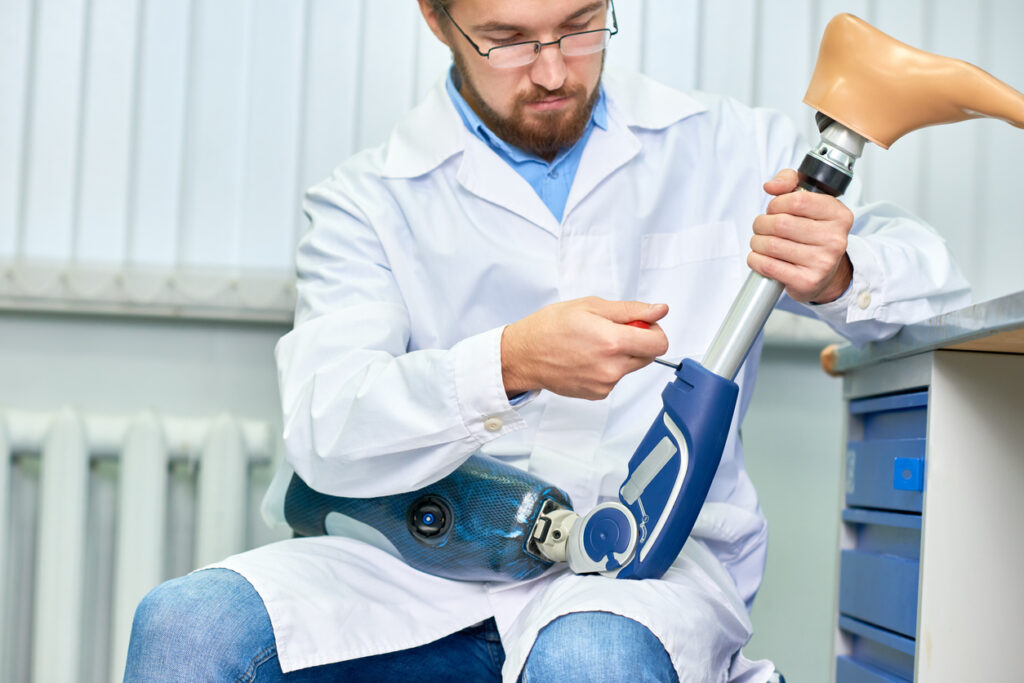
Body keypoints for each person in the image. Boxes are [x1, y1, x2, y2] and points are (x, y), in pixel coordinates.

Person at [125, 0, 969, 680]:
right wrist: (507, 364)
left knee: (590, 657)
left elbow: (933, 286)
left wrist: (840, 269)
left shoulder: (725, 147)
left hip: (644, 577)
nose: (555, 71)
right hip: (420, 569)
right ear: (435, 18)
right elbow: (326, 430)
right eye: (508, 41)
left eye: (579, 24)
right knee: (187, 627)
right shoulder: (368, 200)